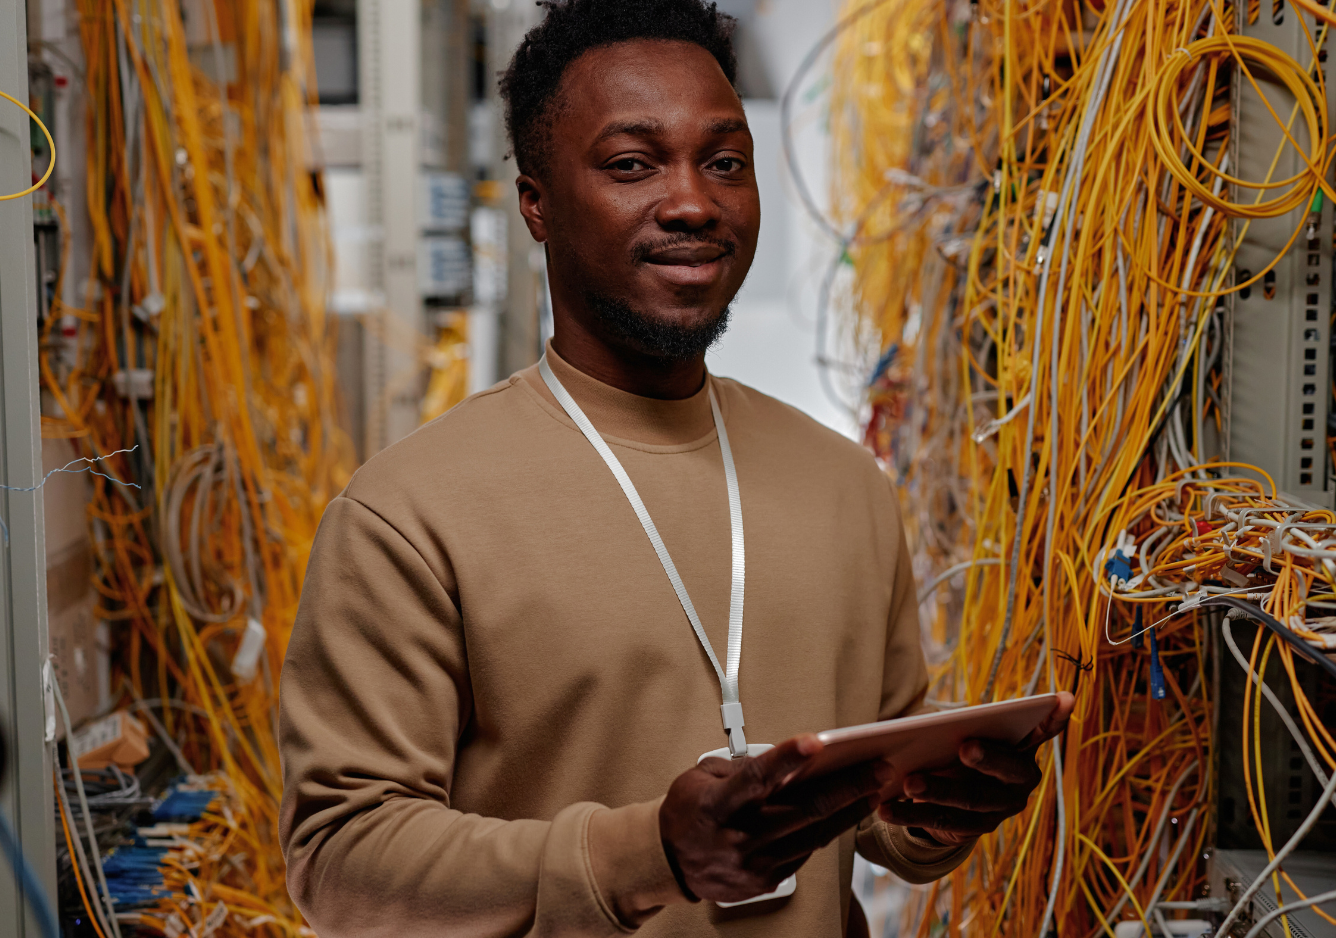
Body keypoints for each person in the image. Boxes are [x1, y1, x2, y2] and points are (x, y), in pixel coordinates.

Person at [277, 2, 1074, 935]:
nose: (693, 202)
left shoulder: (842, 484)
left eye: (725, 161)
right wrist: (649, 854)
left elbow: (877, 813)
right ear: (536, 203)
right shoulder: (410, 513)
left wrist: (936, 810)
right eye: (632, 164)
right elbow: (342, 860)